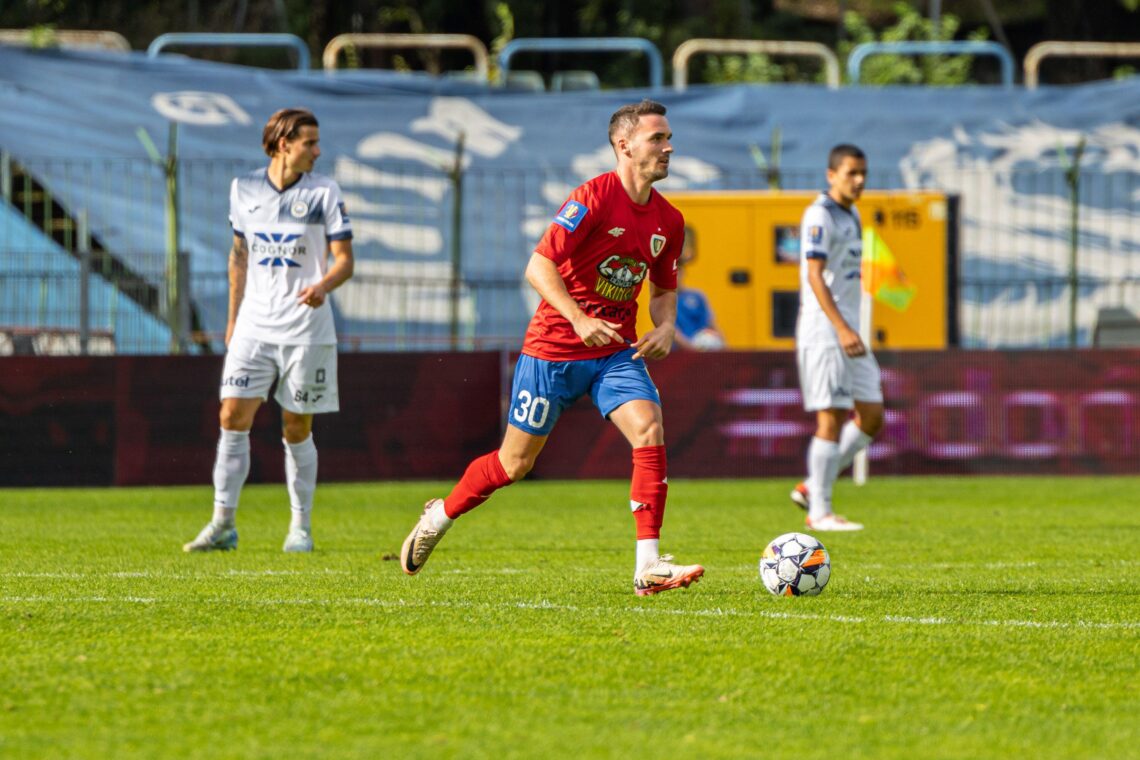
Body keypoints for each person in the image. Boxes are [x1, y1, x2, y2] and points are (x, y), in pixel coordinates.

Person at [400, 99, 704, 595]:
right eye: (658, 139)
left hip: (614, 353)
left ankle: (647, 565)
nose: (668, 148)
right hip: (554, 351)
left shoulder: (669, 221)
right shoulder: (592, 198)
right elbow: (539, 266)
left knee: (649, 429)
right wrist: (580, 319)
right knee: (514, 465)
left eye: (669, 138)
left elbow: (665, 289)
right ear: (624, 146)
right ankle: (442, 513)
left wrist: (666, 327)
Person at [183, 107, 354, 553]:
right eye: (310, 143)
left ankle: (300, 529)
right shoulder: (244, 189)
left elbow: (344, 260)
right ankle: (222, 524)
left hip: (305, 329)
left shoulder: (324, 192)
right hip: (254, 327)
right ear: (284, 144)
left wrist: (323, 286)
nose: (318, 151)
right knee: (230, 418)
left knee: (296, 427)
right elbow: (238, 255)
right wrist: (233, 319)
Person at [790, 144, 883, 532]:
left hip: (848, 330)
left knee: (873, 415)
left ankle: (814, 485)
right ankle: (821, 511)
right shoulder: (820, 214)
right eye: (851, 173)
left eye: (863, 173)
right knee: (831, 416)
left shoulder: (852, 213)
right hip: (826, 330)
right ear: (832, 175)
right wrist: (843, 327)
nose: (859, 181)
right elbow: (814, 275)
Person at [673, 225, 725, 350]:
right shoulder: (664, 300)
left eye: (679, 272)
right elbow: (671, 331)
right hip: (678, 354)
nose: (676, 277)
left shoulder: (697, 297)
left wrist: (723, 345)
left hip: (701, 349)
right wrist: (691, 348)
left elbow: (711, 323)